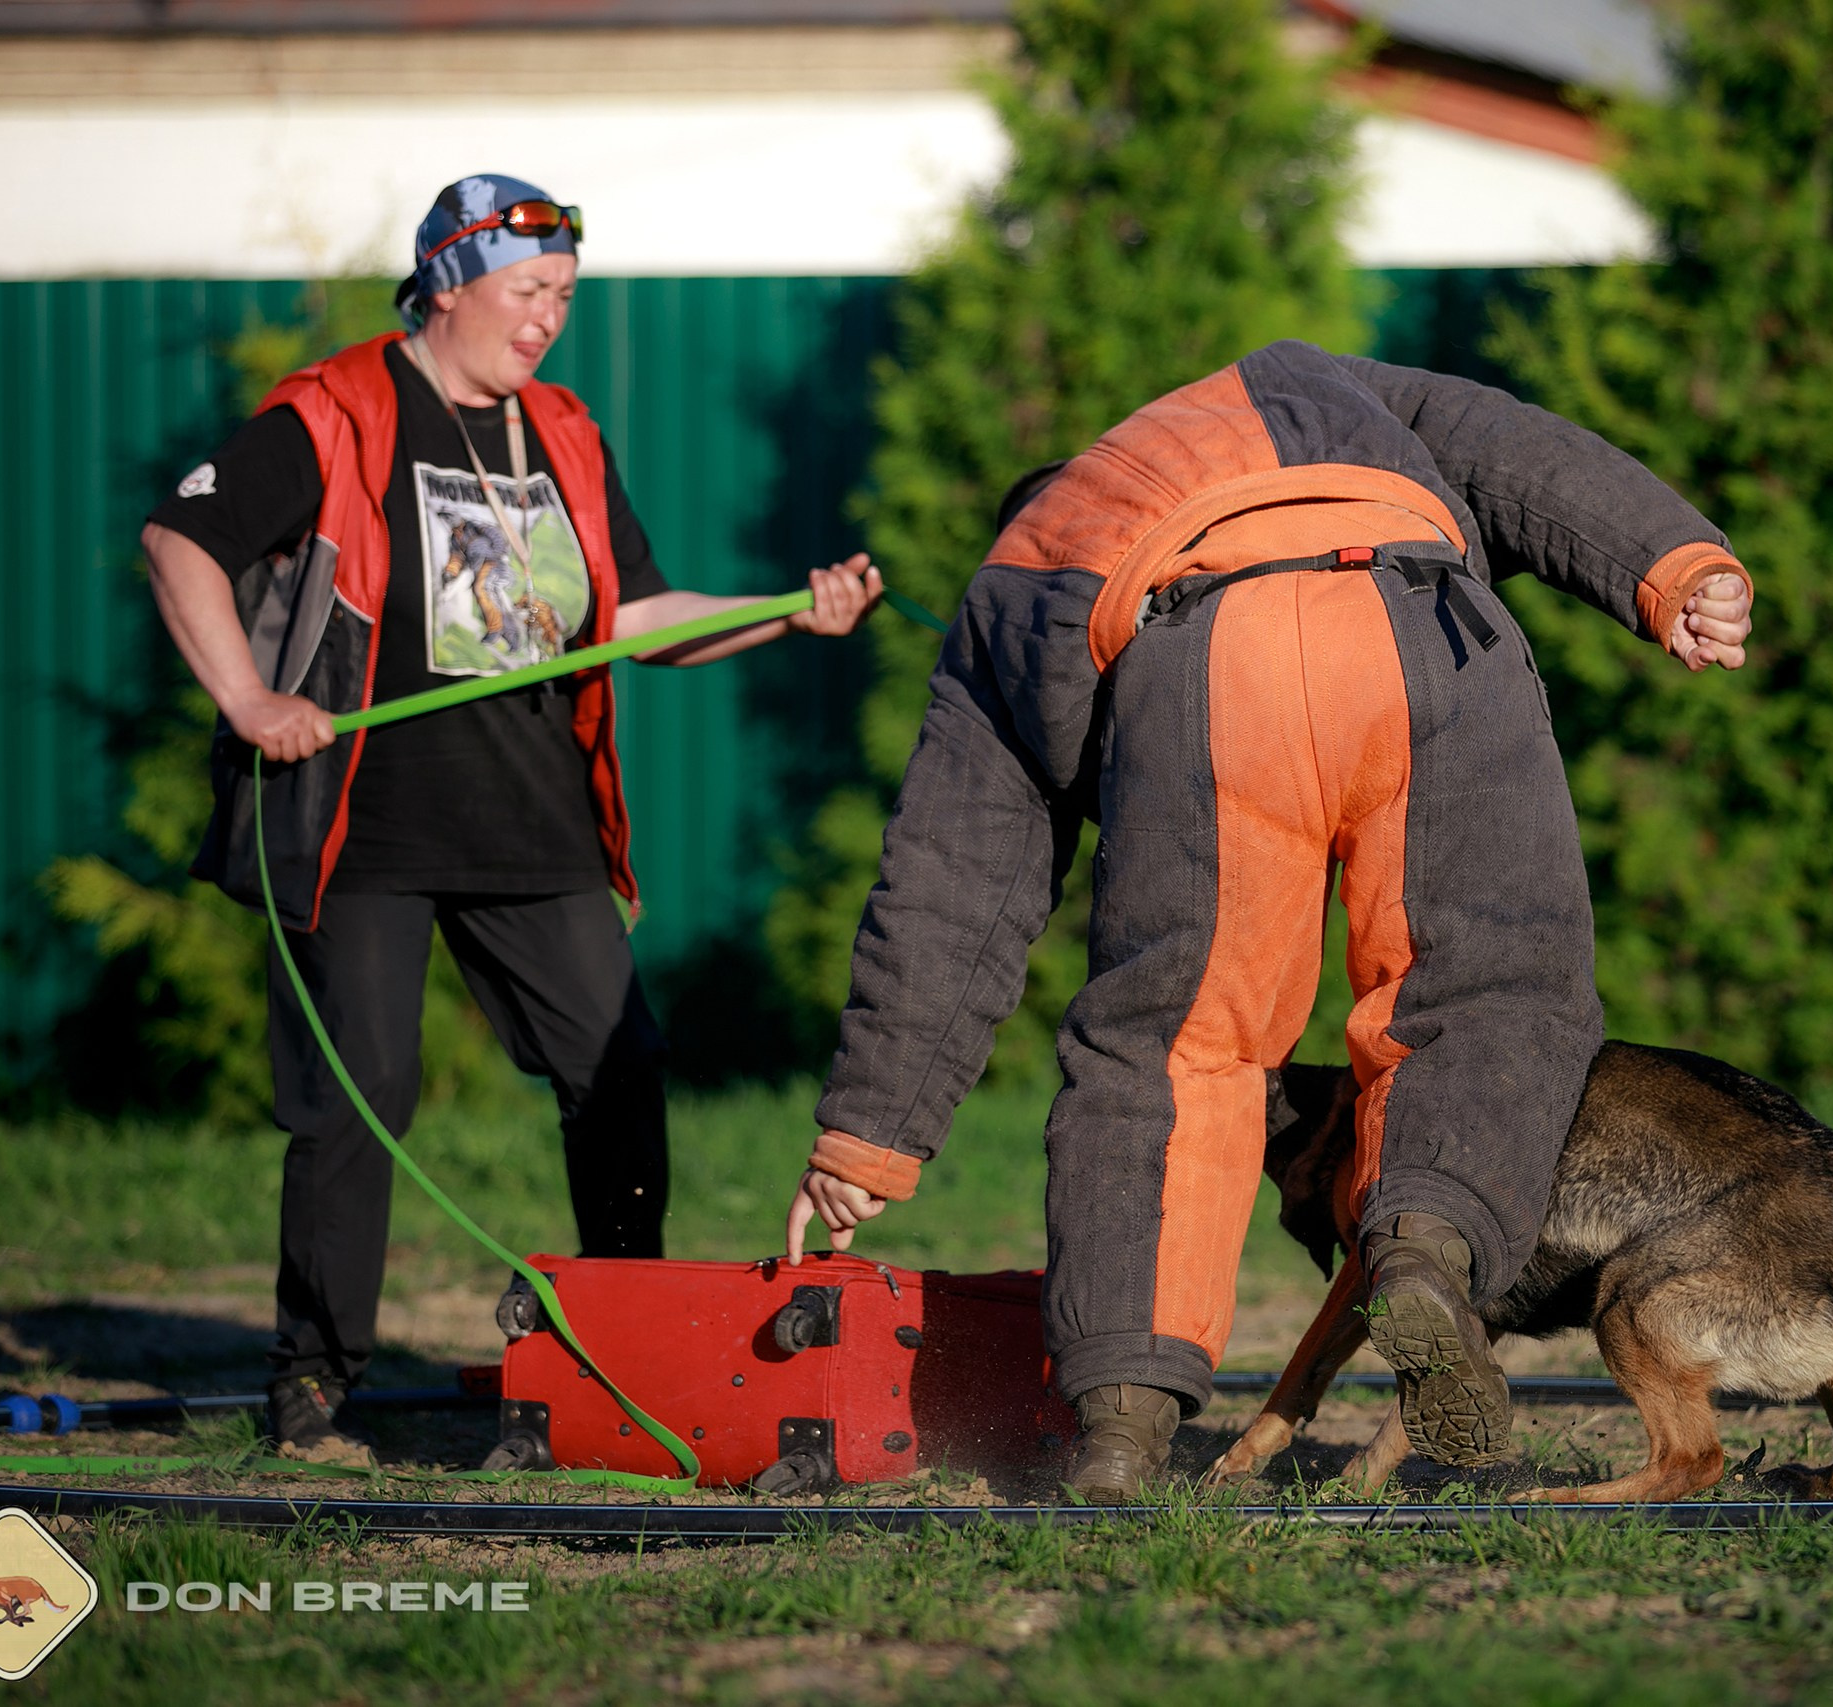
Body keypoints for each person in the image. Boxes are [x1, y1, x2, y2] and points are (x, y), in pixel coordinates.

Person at [782, 341, 1751, 1498]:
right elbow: (1506, 443)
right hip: (1426, 623)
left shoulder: (1023, 568)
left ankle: (1124, 1431)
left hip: (1206, 657)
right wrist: (1669, 564)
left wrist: (866, 1143)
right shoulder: (1291, 381)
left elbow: (949, 883)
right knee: (1486, 996)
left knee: (1176, 1048)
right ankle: (1425, 1249)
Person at [142, 174, 881, 1465]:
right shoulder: (337, 413)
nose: (549, 318)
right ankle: (313, 1385)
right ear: (447, 279)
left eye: (565, 298)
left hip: (535, 828)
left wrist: (786, 609)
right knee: (358, 1099)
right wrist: (250, 698)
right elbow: (179, 540)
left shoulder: (567, 435)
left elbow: (638, 618)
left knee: (621, 1066)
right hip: (362, 827)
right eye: (529, 292)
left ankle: (625, 1341)